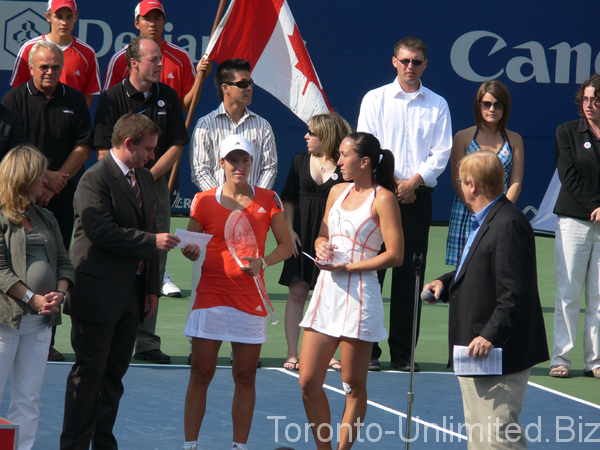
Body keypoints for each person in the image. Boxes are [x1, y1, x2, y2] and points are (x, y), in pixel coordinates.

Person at [60, 113, 181, 449]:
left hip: (131, 297)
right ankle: (73, 446)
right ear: (129, 144)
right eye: (148, 149)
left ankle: (102, 444)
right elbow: (100, 231)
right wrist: (150, 243)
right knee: (88, 377)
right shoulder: (94, 179)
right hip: (97, 296)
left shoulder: (143, 178)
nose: (152, 156)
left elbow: (152, 232)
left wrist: (152, 287)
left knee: (113, 378)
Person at [423, 150, 548, 448]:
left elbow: (514, 291)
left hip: (497, 353)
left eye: (461, 180)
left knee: (498, 438)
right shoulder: (488, 218)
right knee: (480, 438)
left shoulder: (509, 223)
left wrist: (490, 335)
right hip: (476, 351)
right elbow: (479, 267)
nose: (461, 186)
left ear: (473, 185)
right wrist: (445, 281)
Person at [182, 134, 292, 450]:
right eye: (233, 160)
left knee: (245, 377)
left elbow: (286, 246)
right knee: (201, 373)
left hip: (249, 299)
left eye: (245, 160)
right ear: (222, 163)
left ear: (251, 162)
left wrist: (263, 262)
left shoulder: (269, 199)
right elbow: (191, 242)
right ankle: (190, 446)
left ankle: (238, 447)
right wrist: (190, 251)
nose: (239, 166)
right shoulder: (203, 200)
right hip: (210, 296)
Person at [298, 132, 403, 450]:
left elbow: (395, 255)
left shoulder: (383, 198)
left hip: (360, 298)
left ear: (365, 162)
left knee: (353, 386)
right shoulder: (336, 192)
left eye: (344, 155)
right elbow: (321, 234)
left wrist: (347, 268)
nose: (339, 161)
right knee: (307, 382)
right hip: (326, 294)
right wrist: (322, 246)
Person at [357, 36, 452, 371]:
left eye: (417, 62)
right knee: (372, 274)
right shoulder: (375, 99)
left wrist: (414, 182)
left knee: (409, 278)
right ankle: (366, 351)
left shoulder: (438, 104)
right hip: (379, 195)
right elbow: (369, 146)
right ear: (394, 61)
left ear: (426, 64)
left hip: (418, 197)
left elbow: (441, 153)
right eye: (405, 60)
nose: (410, 67)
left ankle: (402, 354)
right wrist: (396, 183)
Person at [94, 35, 189, 364]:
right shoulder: (110, 98)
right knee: (114, 256)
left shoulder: (169, 96)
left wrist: (147, 176)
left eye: (160, 59)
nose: (160, 64)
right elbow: (103, 148)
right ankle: (109, 330)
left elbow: (177, 143)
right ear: (133, 63)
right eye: (153, 59)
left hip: (155, 187)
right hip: (115, 188)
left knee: (154, 259)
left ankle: (146, 340)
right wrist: (125, 180)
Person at [2, 40, 92, 362]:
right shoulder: (14, 100)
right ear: (31, 68)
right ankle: (10, 328)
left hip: (60, 197)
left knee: (54, 262)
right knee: (13, 264)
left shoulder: (76, 99)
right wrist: (39, 179)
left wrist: (56, 180)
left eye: (56, 66)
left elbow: (83, 146)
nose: (51, 71)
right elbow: (16, 152)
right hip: (22, 199)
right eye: (44, 66)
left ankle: (46, 337)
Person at [187, 58, 278, 362]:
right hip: (214, 212)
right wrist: (222, 201)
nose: (249, 88)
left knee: (250, 275)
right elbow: (200, 170)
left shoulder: (262, 125)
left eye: (250, 83)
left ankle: (249, 338)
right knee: (205, 274)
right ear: (225, 88)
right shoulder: (204, 124)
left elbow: (268, 168)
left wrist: (250, 201)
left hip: (252, 215)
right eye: (243, 84)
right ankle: (197, 343)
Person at [0, 145, 74, 450]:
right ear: (24, 176)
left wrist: (60, 292)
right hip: (5, 321)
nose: (46, 180)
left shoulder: (45, 216)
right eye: (40, 174)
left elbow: (64, 261)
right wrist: (31, 297)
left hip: (41, 323)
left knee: (29, 399)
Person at [279, 112, 351, 372]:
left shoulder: (345, 168)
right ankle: (292, 352)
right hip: (300, 234)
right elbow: (288, 198)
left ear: (327, 136)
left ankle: (327, 353)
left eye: (312, 133)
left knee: (328, 296)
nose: (306, 136)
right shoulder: (299, 161)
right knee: (298, 291)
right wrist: (289, 230)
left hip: (332, 239)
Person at [551, 74, 600, 379]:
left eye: (595, 99)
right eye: (585, 99)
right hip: (573, 221)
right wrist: (596, 206)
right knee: (569, 293)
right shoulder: (567, 131)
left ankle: (595, 361)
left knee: (598, 296)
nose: (589, 105)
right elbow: (568, 177)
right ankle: (561, 358)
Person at [446, 80, 524, 266]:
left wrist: (498, 211)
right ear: (478, 105)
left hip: (499, 215)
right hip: (467, 212)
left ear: (505, 107)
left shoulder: (514, 139)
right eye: (487, 104)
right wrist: (476, 210)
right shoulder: (463, 136)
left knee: (494, 267)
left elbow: (516, 182)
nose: (492, 109)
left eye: (498, 104)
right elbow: (457, 180)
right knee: (463, 272)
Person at [103, 0, 210, 113]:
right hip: (130, 129)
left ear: (164, 22)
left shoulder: (181, 57)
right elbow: (109, 105)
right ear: (137, 23)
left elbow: (187, 107)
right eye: (147, 18)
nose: (152, 23)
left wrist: (200, 77)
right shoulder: (120, 59)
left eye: (157, 18)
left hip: (167, 128)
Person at [10, 0, 102, 108]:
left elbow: (88, 94)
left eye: (69, 17)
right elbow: (18, 91)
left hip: (70, 121)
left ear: (76, 17)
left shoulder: (87, 52)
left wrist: (77, 120)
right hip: (34, 120)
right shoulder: (29, 48)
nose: (64, 22)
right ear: (48, 17)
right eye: (58, 17)